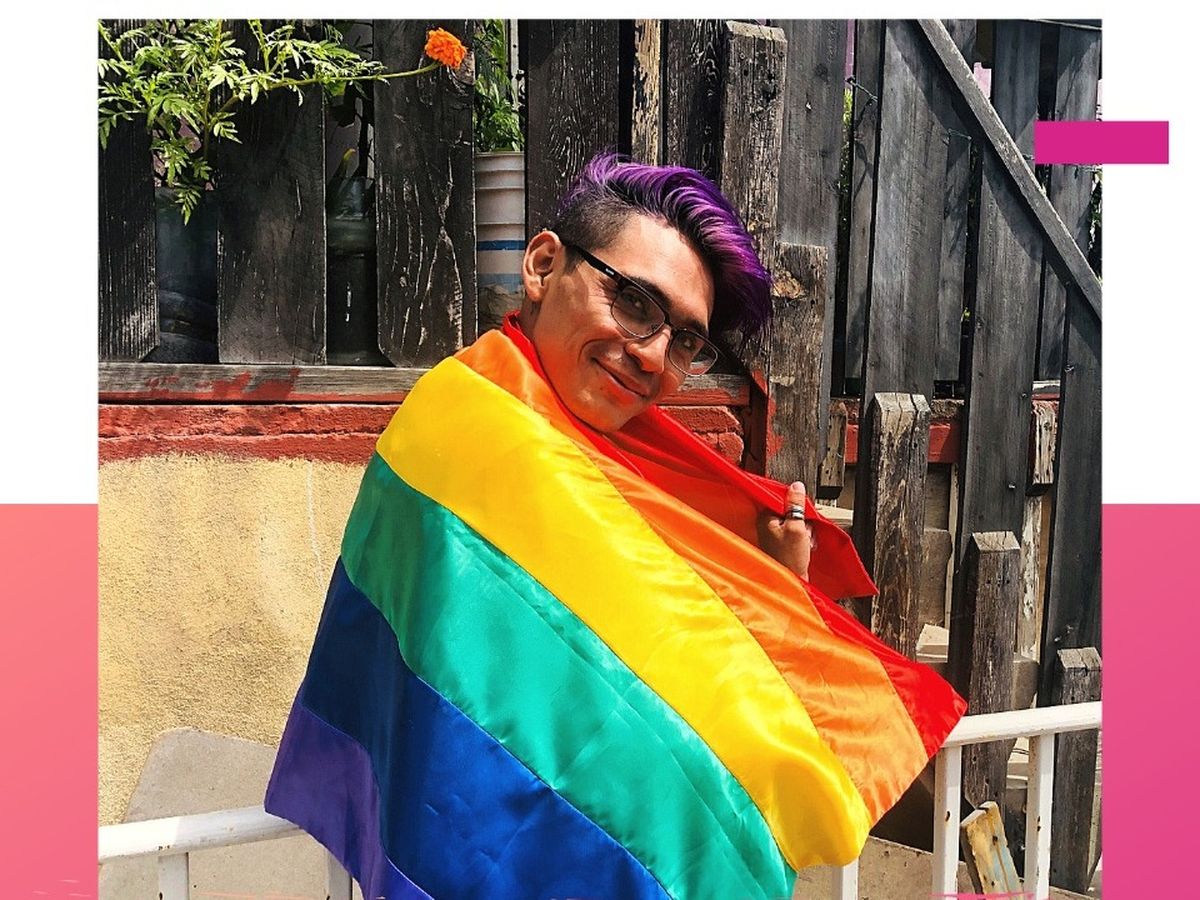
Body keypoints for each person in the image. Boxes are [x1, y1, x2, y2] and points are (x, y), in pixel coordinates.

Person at [265, 152, 965, 900]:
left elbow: (663, 690)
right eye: (633, 301)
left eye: (685, 341)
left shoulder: (617, 469)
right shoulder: (471, 422)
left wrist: (772, 592)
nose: (653, 357)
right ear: (542, 265)